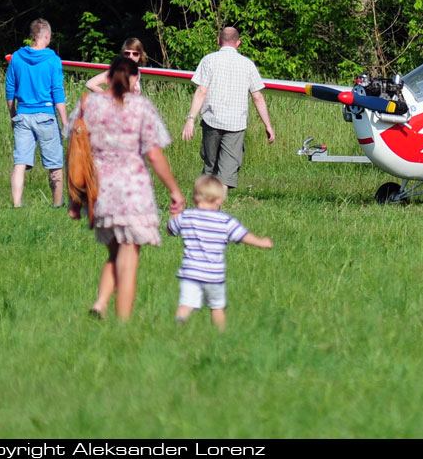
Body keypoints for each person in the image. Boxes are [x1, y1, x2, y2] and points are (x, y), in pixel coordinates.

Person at [70, 56, 185, 320]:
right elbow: (154, 155)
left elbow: (76, 153)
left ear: (108, 77)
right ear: (134, 79)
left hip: (100, 191)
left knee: (114, 250)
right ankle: (123, 325)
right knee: (129, 255)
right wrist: (174, 191)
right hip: (132, 192)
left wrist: (74, 201)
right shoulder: (140, 107)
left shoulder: (89, 105)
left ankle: (100, 303)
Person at [168, 175, 273, 331]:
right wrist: (261, 242)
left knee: (186, 304)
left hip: (190, 274)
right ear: (220, 200)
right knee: (217, 308)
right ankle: (221, 334)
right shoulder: (225, 221)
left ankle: (178, 324)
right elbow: (242, 236)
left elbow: (171, 229)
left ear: (195, 199)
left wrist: (175, 213)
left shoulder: (187, 217)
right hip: (214, 276)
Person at [181, 27, 275, 189]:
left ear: (219, 41)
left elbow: (202, 91)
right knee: (226, 173)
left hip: (211, 121)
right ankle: (215, 209)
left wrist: (190, 119)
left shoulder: (209, 60)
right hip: (235, 125)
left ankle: (205, 206)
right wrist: (268, 125)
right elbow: (257, 96)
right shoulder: (247, 64)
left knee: (210, 166)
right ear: (238, 43)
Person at [6, 18, 68, 208]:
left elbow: (10, 89)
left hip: (23, 115)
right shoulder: (52, 60)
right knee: (54, 163)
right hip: (46, 117)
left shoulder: (16, 57)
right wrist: (65, 121)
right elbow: (57, 92)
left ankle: (17, 204)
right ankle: (57, 204)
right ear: (46, 36)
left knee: (20, 162)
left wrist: (12, 114)